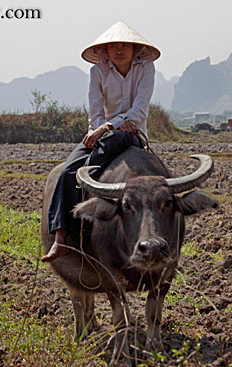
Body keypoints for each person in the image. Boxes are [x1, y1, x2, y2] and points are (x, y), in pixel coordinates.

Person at [42, 21, 160, 262]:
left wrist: (110, 125)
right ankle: (61, 236)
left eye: (125, 45)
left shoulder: (146, 68)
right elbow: (95, 112)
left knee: (158, 187)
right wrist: (102, 129)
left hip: (133, 134)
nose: (119, 50)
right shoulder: (98, 72)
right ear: (105, 50)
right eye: (113, 45)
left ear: (136, 49)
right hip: (100, 136)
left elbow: (139, 111)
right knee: (67, 172)